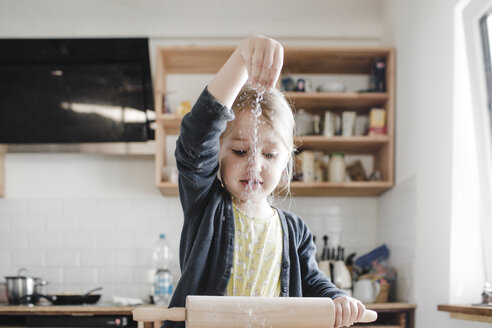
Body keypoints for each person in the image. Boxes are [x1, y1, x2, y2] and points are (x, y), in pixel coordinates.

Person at [168, 36, 367, 328]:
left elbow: (312, 281)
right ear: (218, 155)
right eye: (239, 151)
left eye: (270, 154)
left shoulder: (295, 230)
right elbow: (196, 137)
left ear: (286, 165)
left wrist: (337, 298)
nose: (254, 165)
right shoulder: (205, 204)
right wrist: (240, 59)